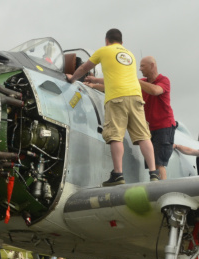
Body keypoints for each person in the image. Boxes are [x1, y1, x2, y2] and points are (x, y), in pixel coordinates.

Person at [67, 28, 160, 186]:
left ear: (106, 40)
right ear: (122, 42)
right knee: (144, 136)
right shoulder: (130, 55)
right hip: (136, 97)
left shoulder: (103, 51)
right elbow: (116, 76)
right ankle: (154, 173)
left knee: (115, 135)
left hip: (116, 97)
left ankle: (118, 174)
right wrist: (96, 81)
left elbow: (83, 68)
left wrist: (73, 79)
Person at [138, 56, 177, 180]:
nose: (140, 69)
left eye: (142, 66)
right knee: (152, 163)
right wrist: (94, 82)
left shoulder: (164, 80)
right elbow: (120, 85)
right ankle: (155, 186)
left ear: (152, 65)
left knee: (158, 163)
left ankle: (161, 189)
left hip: (164, 127)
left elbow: (155, 91)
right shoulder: (142, 82)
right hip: (149, 128)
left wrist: (136, 81)